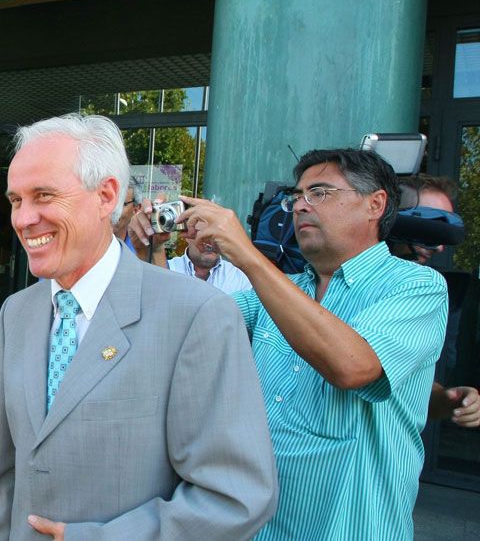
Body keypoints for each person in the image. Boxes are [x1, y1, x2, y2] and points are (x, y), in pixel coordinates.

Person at [0, 113, 277, 541]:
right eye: (15, 200)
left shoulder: (197, 315)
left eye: (43, 195)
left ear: (105, 196)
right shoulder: (17, 312)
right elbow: (4, 471)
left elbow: (237, 496)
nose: (24, 219)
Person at [172, 148, 448, 540]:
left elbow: (353, 366)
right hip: (258, 526)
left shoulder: (417, 287)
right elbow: (179, 329)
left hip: (349, 528)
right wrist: (146, 249)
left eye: (319, 193)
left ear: (375, 204)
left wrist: (247, 255)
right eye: (296, 196)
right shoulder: (286, 290)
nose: (299, 207)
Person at [386, 175, 479, 428]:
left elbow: (416, 388)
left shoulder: (428, 295)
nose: (439, 247)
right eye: (429, 228)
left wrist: (450, 400)